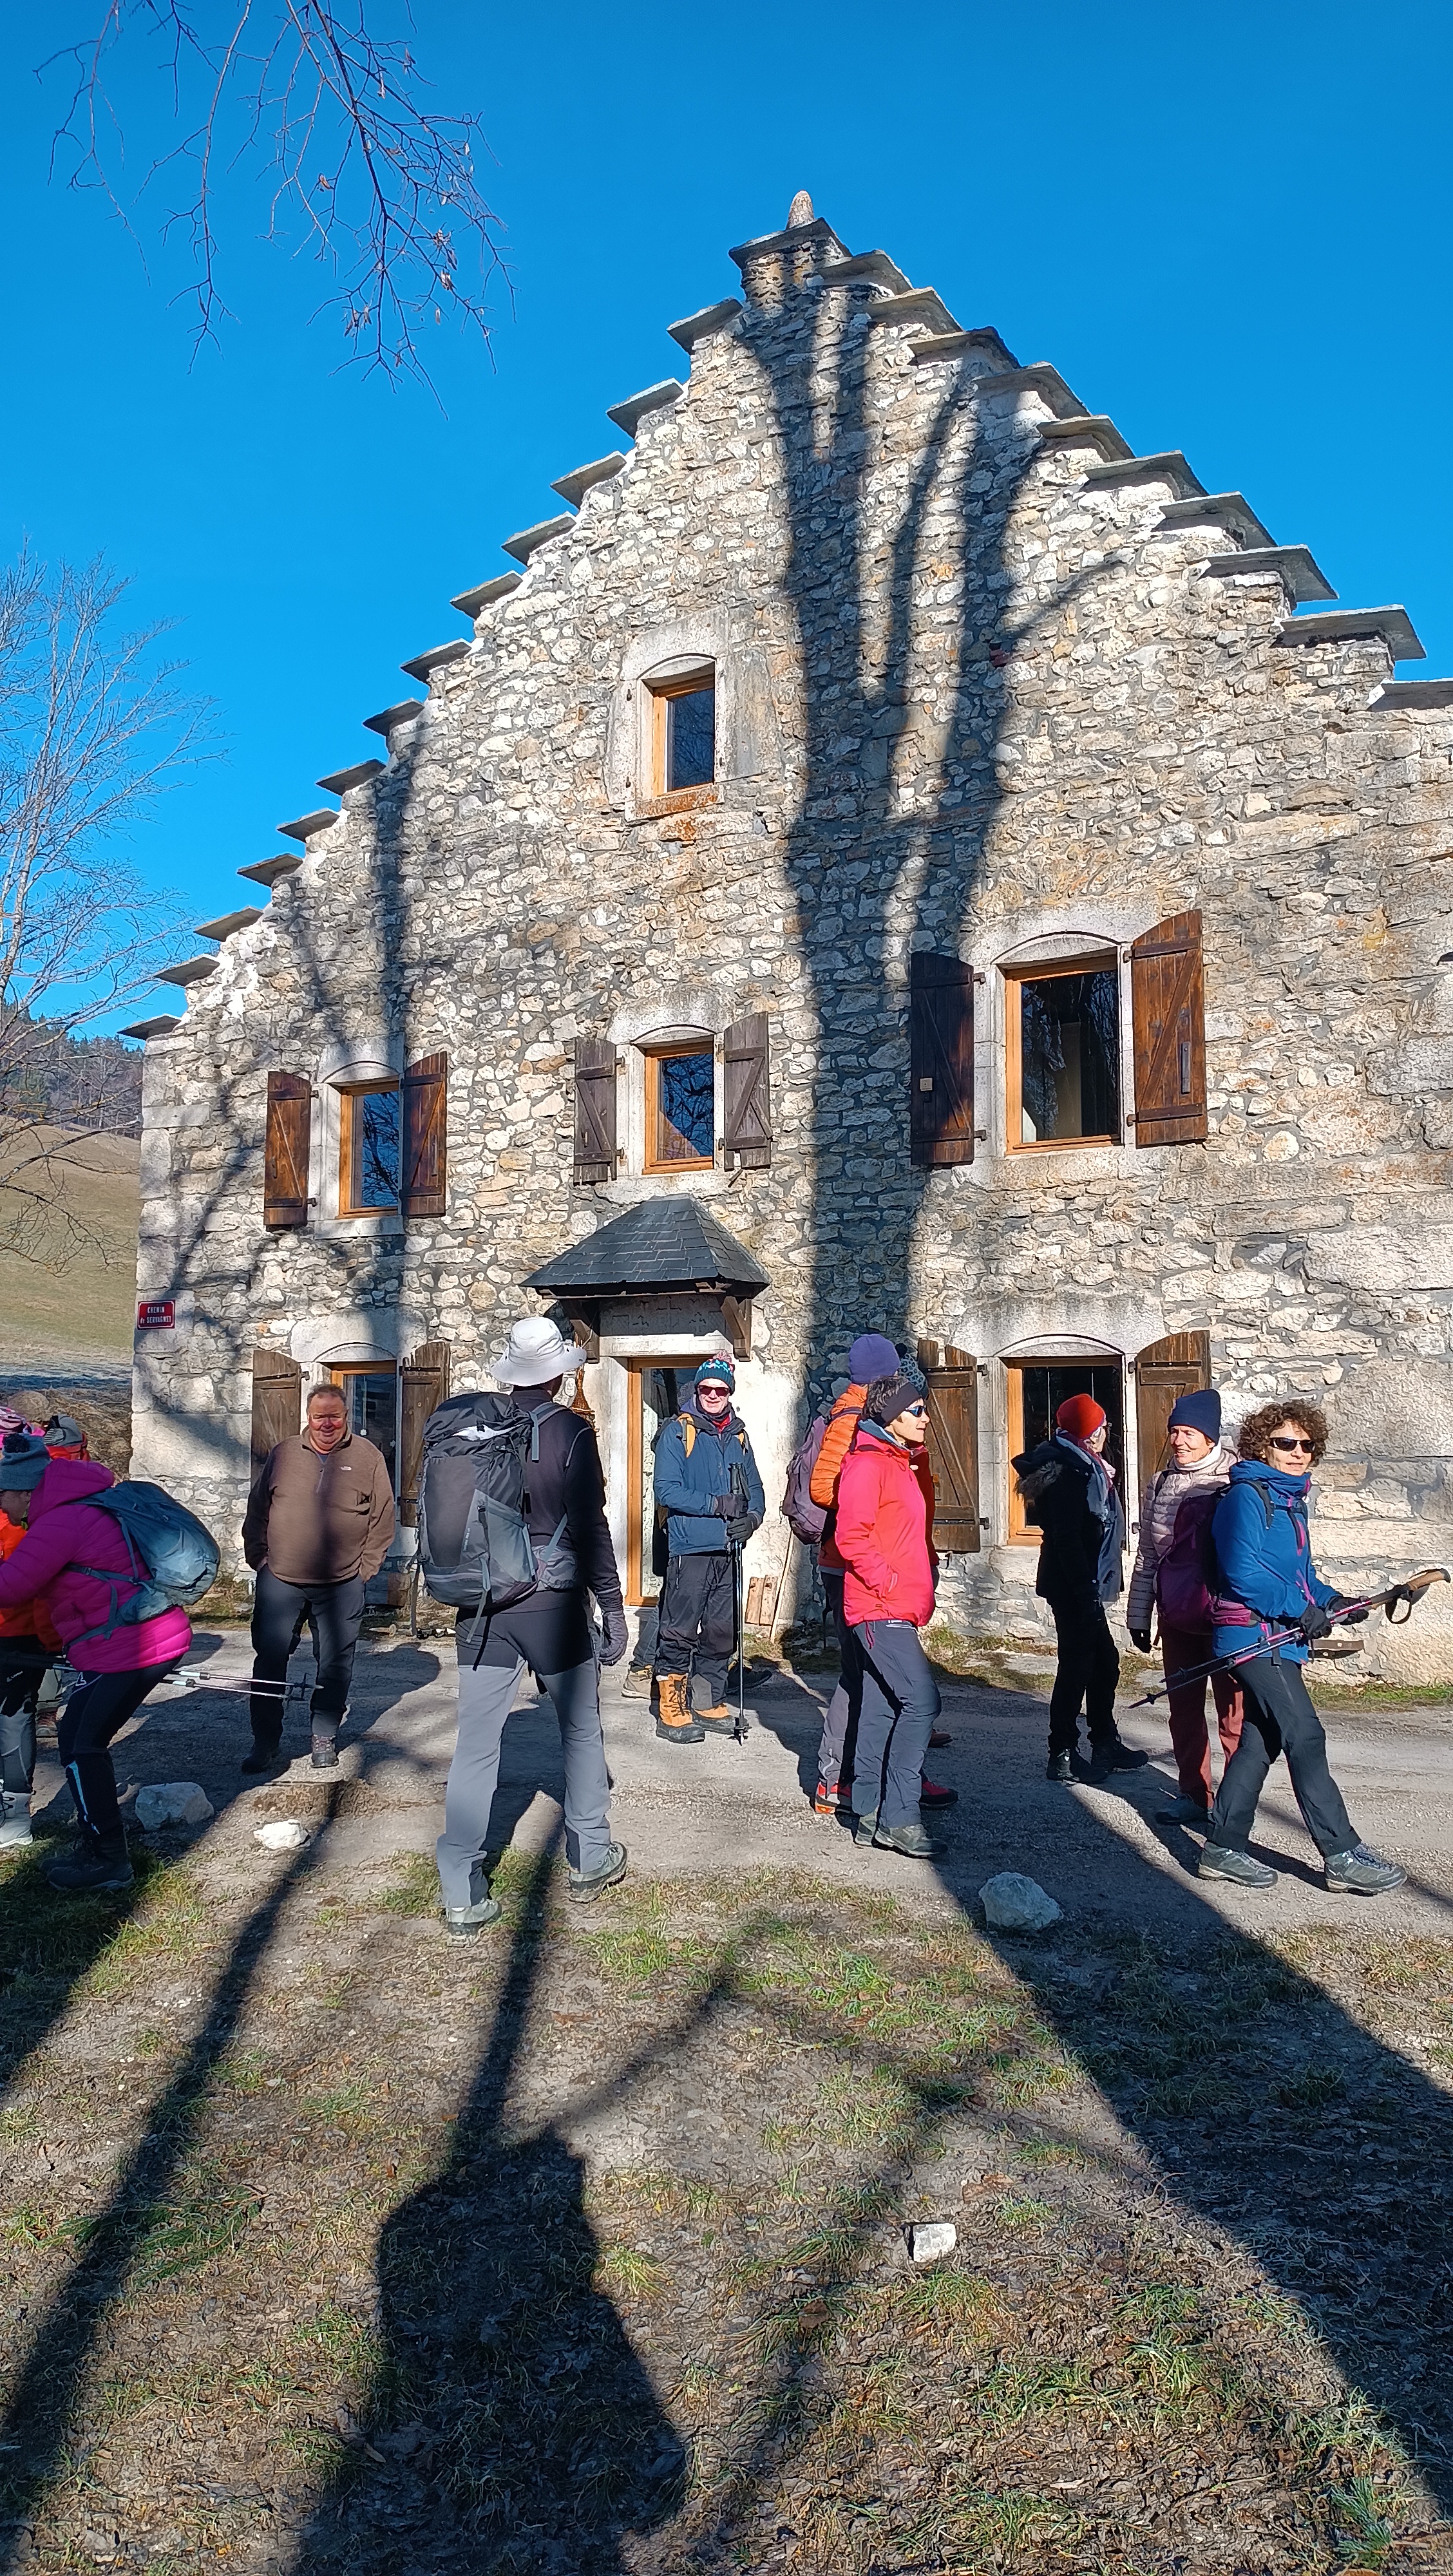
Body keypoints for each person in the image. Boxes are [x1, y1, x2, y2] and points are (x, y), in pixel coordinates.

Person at [435, 1315, 630, 1935]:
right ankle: (590, 1856)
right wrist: (613, 1605)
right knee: (580, 1730)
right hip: (551, 1609)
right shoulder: (571, 1431)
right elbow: (591, 1527)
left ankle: (461, 1890)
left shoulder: (471, 1429)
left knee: (475, 1747)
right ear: (557, 1374)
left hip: (482, 1606)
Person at [1200, 1403, 1405, 1895]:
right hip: (1252, 1636)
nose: (1297, 1453)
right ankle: (1341, 1854)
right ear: (1261, 1447)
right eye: (1285, 1443)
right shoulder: (1246, 1497)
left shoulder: (1291, 1501)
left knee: (1260, 1741)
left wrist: (1333, 1602)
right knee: (1305, 1736)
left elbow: (1301, 1575)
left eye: (1306, 1445)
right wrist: (1300, 1609)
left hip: (1279, 1637)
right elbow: (1241, 1573)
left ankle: (1222, 1849)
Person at [0, 1429, 191, 1892]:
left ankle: (109, 1861)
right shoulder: (76, 1507)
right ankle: (97, 1846)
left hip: (135, 1645)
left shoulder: (60, 1522)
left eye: (2, 1496)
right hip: (133, 1639)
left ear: (24, 1492)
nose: (2, 1508)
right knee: (78, 1738)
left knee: (83, 1744)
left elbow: (11, 1587)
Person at [808, 1332, 955, 1818]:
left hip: (888, 1566)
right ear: (880, 1377)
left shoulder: (893, 1428)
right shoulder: (853, 1419)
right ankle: (836, 1779)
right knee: (862, 1677)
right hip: (858, 1572)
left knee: (881, 1683)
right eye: (893, 1373)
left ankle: (892, 1778)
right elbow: (825, 1488)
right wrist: (873, 1492)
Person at [241, 1381, 395, 1774]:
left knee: (335, 1663)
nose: (327, 1424)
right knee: (270, 1660)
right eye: (319, 1416)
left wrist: (366, 1568)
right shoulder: (284, 1454)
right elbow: (257, 1508)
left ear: (346, 1416)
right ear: (307, 1417)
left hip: (342, 1584)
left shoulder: (368, 1457)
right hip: (281, 1579)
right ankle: (265, 1741)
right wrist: (260, 1558)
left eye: (334, 1417)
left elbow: (382, 1518)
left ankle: (324, 1736)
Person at [834, 1373, 947, 1859]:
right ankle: (900, 1817)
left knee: (882, 1708)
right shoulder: (867, 1464)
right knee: (921, 1702)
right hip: (879, 1608)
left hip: (894, 1606)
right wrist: (890, 1582)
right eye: (917, 1410)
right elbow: (851, 1536)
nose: (926, 1419)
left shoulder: (898, 1461)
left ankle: (868, 1812)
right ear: (891, 1416)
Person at [1014, 1393, 1146, 1784]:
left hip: (1081, 1582)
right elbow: (1067, 1538)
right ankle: (1063, 1753)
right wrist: (1085, 1590)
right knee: (1077, 1665)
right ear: (1090, 1433)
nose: (1106, 1434)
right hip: (1072, 1584)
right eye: (1102, 1427)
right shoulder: (1069, 1473)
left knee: (1103, 1661)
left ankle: (1104, 1741)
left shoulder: (1085, 1466)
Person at [1126, 1388, 1244, 1826]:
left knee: (1234, 1714)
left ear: (1211, 1437)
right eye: (1174, 1431)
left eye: (1189, 1432)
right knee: (1184, 1710)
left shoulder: (1237, 1481)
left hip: (1227, 1616)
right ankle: (1194, 1794)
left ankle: (1234, 1803)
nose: (1178, 1441)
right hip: (1177, 1616)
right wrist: (1139, 1615)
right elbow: (1148, 1556)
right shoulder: (1159, 1484)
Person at [650, 1354, 764, 1743]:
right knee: (679, 1630)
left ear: (730, 1392)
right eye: (706, 1389)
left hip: (729, 1547)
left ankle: (707, 1700)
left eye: (720, 1389)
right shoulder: (678, 1433)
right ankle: (671, 1709)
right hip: (690, 1548)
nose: (713, 1395)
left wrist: (752, 1519)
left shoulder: (739, 1436)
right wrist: (717, 1504)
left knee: (721, 1630)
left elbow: (755, 1488)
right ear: (697, 1390)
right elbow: (666, 1490)